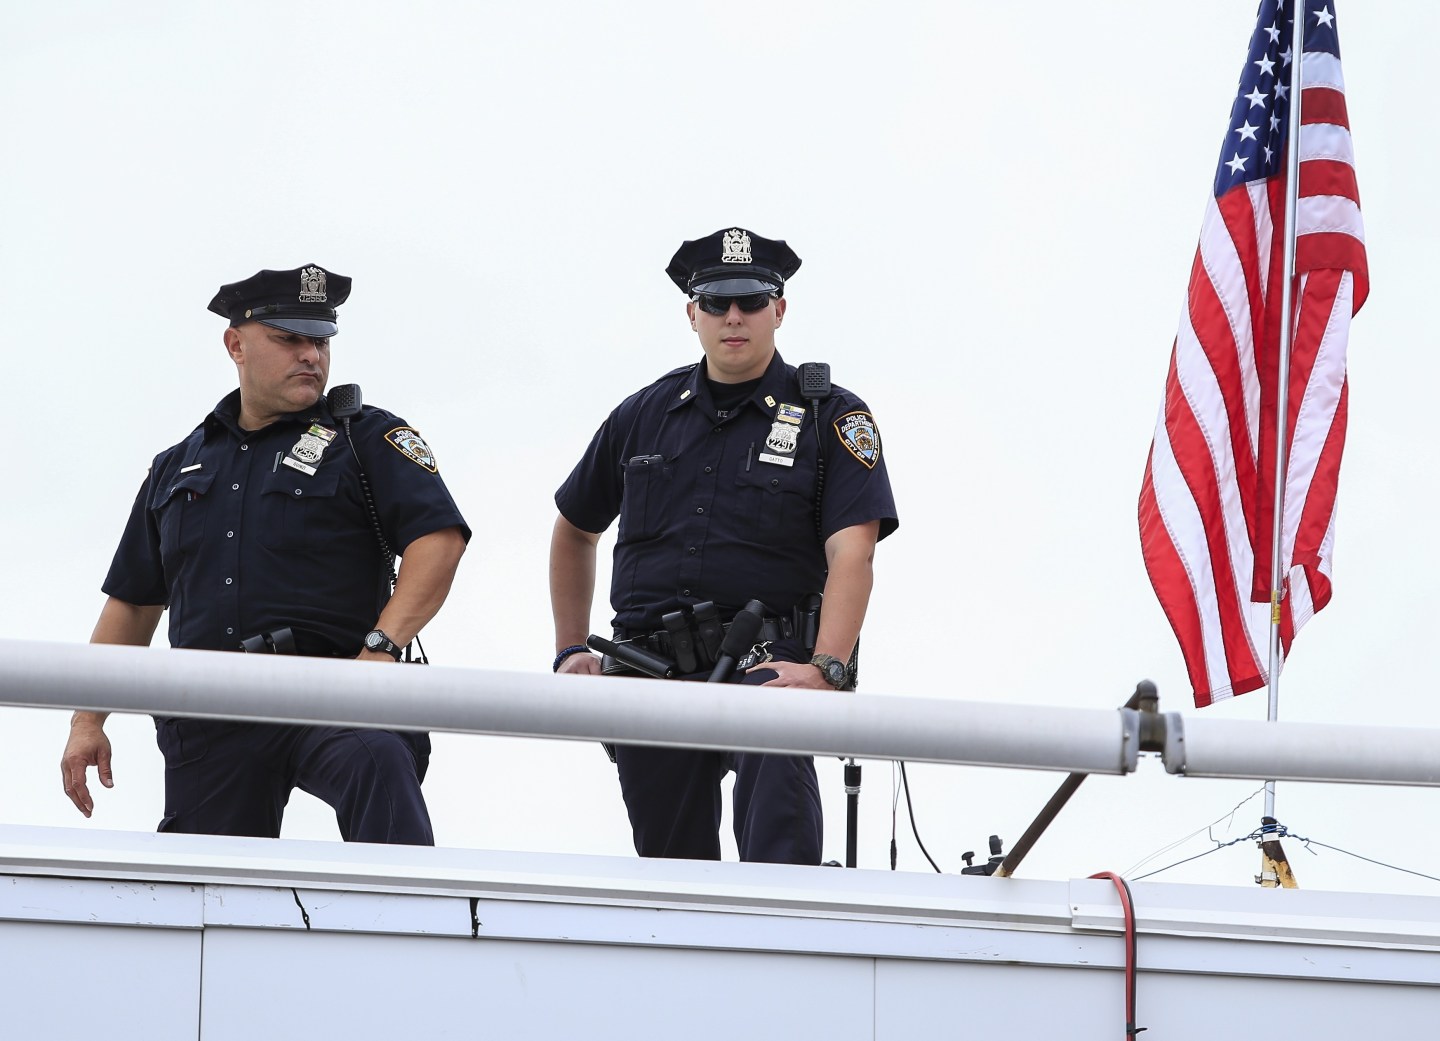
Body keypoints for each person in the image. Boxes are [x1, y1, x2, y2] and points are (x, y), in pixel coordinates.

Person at [59, 265, 469, 844]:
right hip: (211, 710)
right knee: (206, 894)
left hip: (332, 689)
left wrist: (381, 649)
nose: (311, 355)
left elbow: (439, 541)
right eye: (289, 339)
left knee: (375, 761)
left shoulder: (365, 438)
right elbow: (132, 603)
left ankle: (413, 927)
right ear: (236, 344)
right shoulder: (177, 465)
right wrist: (87, 719)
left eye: (320, 340)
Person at [549, 228, 898, 864]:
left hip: (765, 664)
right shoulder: (642, 414)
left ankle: (789, 942)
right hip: (648, 673)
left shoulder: (831, 417)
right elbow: (575, 527)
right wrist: (571, 648)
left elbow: (856, 554)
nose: (732, 316)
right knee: (671, 878)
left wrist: (827, 669)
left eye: (751, 300)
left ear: (780, 310)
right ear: (692, 314)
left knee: (778, 841)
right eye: (714, 303)